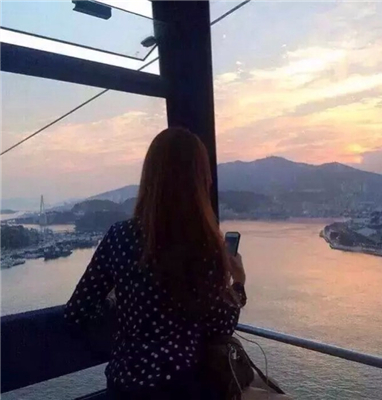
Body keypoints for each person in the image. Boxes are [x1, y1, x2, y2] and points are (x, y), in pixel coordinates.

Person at [64, 127, 247, 399]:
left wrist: (122, 309)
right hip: (184, 387)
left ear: (150, 178)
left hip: (124, 389)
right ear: (200, 182)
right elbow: (220, 325)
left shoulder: (119, 237)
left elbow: (77, 312)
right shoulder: (204, 246)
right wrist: (238, 283)